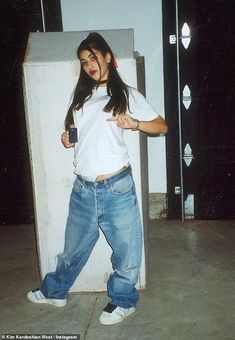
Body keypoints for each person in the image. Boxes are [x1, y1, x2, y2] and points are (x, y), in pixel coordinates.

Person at [27, 32, 168, 325]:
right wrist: (69, 138)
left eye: (93, 57)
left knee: (127, 251)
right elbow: (78, 133)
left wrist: (135, 123)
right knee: (72, 250)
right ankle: (55, 291)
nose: (88, 65)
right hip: (83, 187)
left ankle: (123, 301)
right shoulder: (81, 96)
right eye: (83, 61)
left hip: (115, 186)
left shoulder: (125, 94)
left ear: (107, 57)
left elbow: (161, 126)